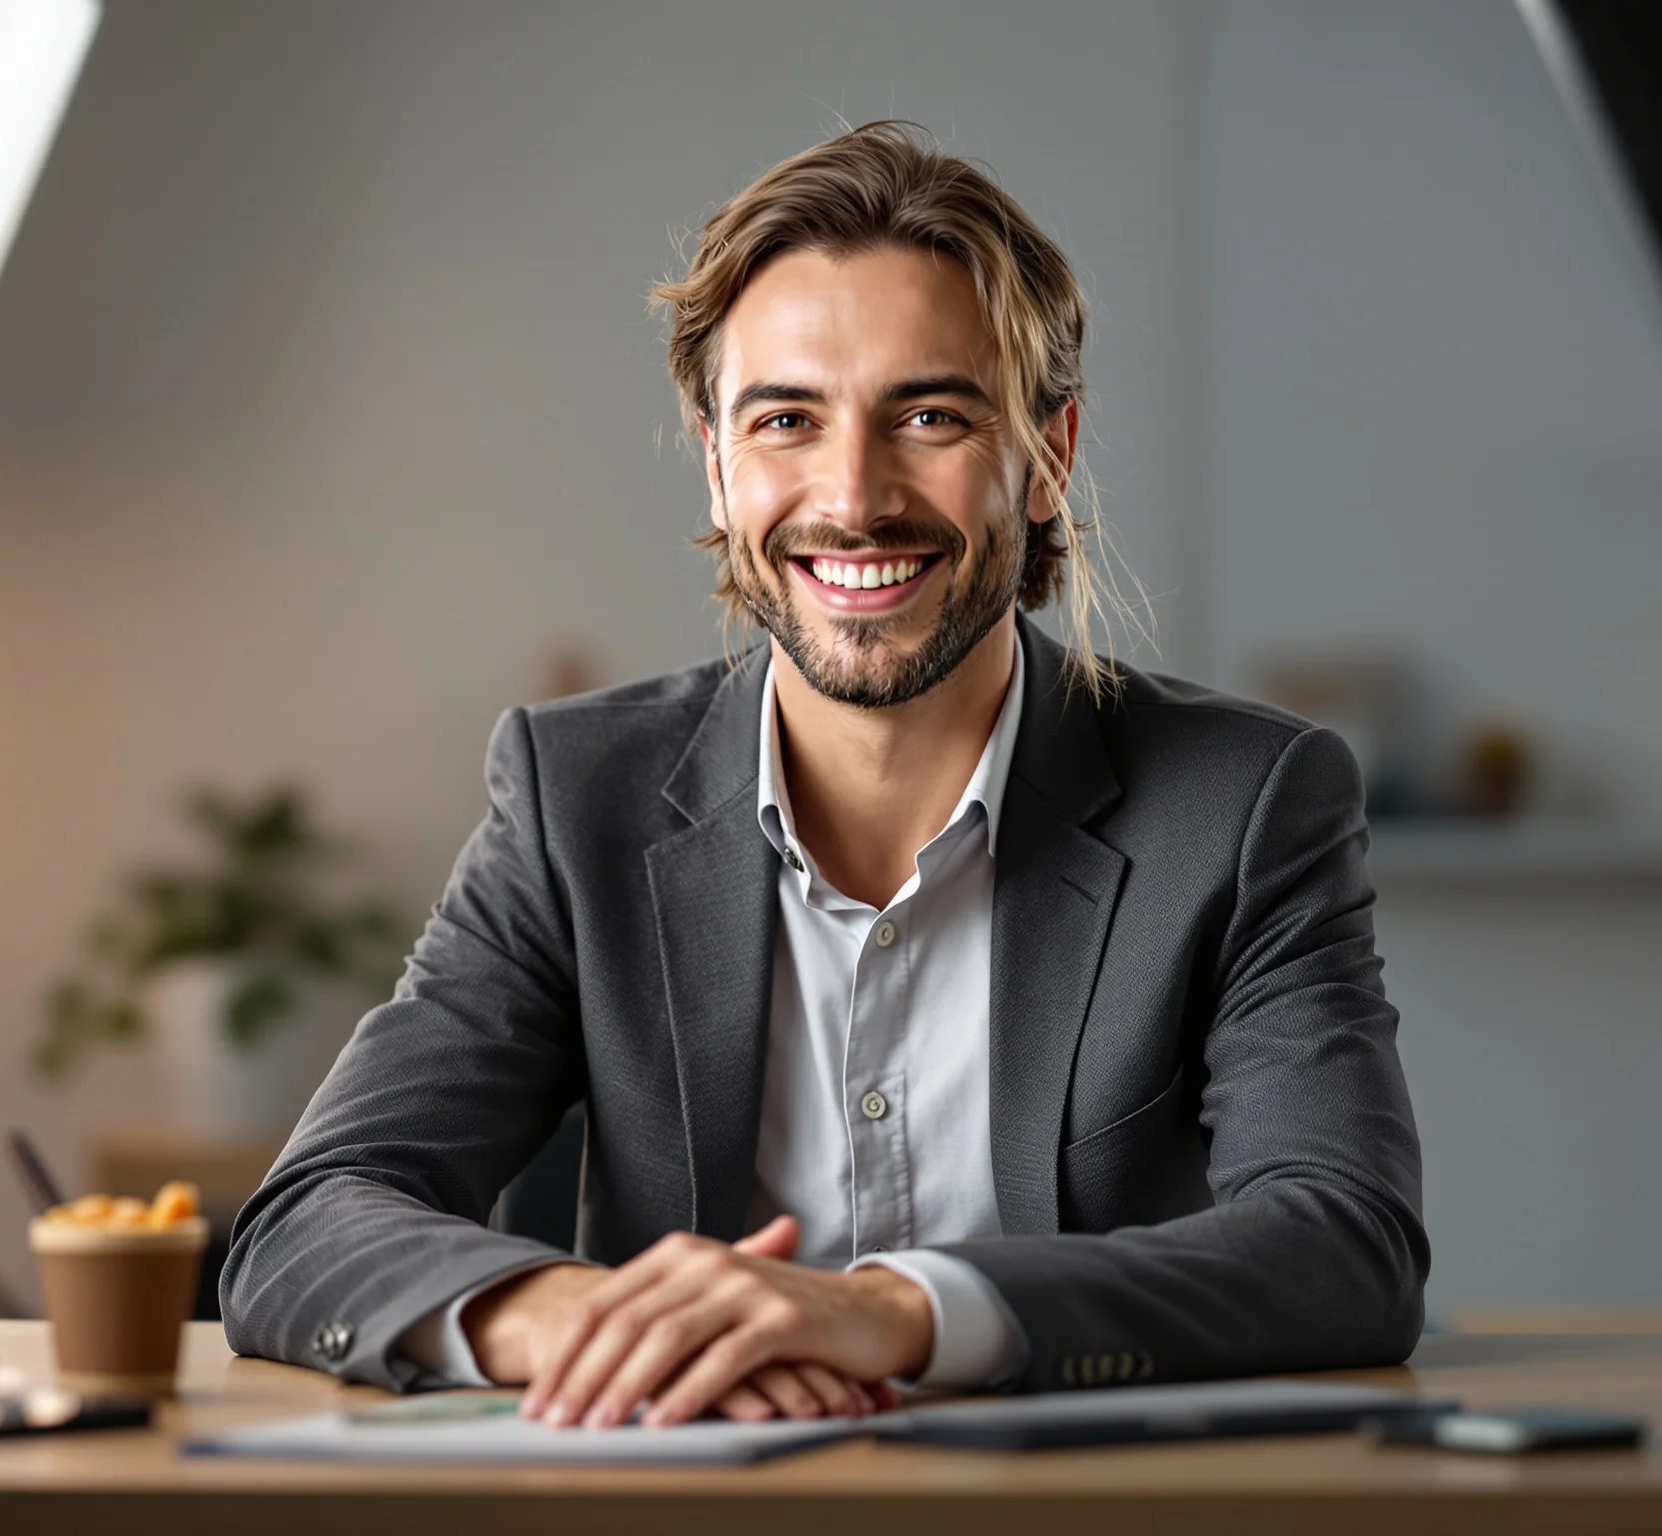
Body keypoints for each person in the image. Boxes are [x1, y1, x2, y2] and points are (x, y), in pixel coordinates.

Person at [222, 121, 1425, 1429]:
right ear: (718, 459)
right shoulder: (575, 801)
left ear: (1049, 456)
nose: (853, 495)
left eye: (931, 415)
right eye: (787, 418)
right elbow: (306, 1224)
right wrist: (592, 1320)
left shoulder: (1248, 804)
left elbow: (1342, 1241)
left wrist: (900, 1310)